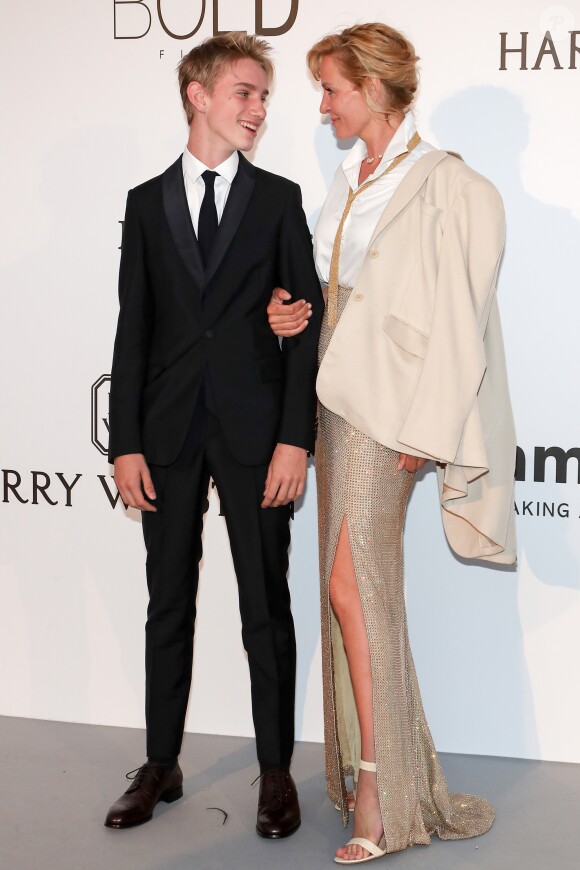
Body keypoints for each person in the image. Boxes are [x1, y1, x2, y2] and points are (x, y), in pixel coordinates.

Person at [267, 23, 516, 864]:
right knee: (354, 586)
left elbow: (462, 321)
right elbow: (329, 285)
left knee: (352, 584)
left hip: (390, 409)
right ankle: (376, 772)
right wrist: (287, 314)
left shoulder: (453, 186)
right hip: (332, 397)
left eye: (333, 89)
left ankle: (383, 787)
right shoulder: (347, 175)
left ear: (373, 90)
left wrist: (431, 425)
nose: (325, 106)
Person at [104, 32, 323, 839]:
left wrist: (294, 438)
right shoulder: (145, 199)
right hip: (164, 436)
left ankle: (274, 774)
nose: (259, 109)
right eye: (245, 92)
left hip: (257, 434)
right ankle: (160, 764)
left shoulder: (278, 199)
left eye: (264, 97)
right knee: (169, 602)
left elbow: (304, 322)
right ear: (198, 95)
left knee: (265, 607)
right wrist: (124, 440)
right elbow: (136, 327)